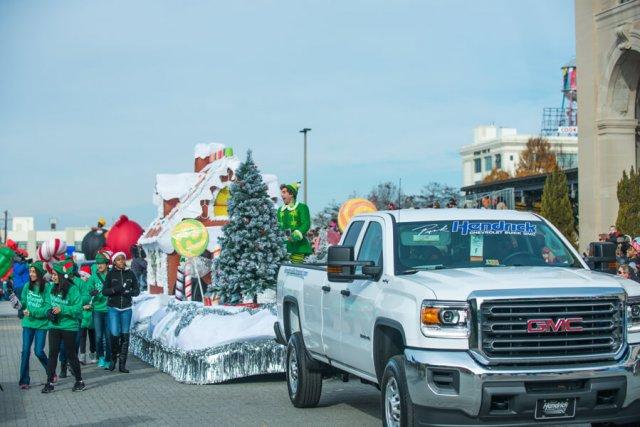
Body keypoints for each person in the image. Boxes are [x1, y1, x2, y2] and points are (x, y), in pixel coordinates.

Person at [42, 260, 85, 393]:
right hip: (54, 326)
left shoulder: (72, 289)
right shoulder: (51, 288)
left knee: (71, 354)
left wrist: (63, 309)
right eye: (52, 274)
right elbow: (48, 303)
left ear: (62, 276)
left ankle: (79, 381)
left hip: (69, 327)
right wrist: (48, 311)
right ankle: (49, 382)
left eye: (55, 275)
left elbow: (78, 309)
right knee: (53, 353)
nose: (52, 277)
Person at [102, 252, 140, 373]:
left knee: (125, 336)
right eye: (118, 260)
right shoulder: (110, 274)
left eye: (123, 259)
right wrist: (115, 290)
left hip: (126, 309)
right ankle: (113, 359)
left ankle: (122, 364)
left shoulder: (130, 273)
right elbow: (104, 291)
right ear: (114, 262)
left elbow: (137, 290)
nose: (121, 262)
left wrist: (129, 292)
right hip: (114, 308)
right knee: (114, 334)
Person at [18, 261, 50, 389]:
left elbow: (48, 307)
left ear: (39, 273)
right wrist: (19, 306)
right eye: (30, 271)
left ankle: (51, 371)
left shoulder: (47, 287)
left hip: (41, 324)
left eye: (33, 271)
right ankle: (24, 380)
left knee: (38, 351)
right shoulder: (27, 286)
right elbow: (24, 302)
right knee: (25, 351)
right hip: (28, 324)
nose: (31, 274)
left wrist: (33, 312)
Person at [87, 251, 111, 368]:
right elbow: (88, 291)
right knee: (98, 336)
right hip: (97, 310)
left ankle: (108, 358)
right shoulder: (93, 277)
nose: (99, 266)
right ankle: (100, 357)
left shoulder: (111, 275)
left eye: (101, 263)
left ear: (107, 264)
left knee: (108, 335)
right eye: (97, 263)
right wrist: (92, 292)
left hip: (110, 309)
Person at [277, 182, 312, 263]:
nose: (282, 195)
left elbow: (306, 224)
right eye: (281, 192)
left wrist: (295, 236)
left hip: (299, 247)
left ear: (291, 194)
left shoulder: (302, 207)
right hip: (283, 247)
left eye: (284, 192)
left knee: (296, 271)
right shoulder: (280, 210)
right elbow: (277, 226)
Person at [78, 268, 96, 365]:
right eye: (81, 275)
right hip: (82, 314)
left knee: (92, 335)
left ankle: (92, 353)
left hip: (91, 314)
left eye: (84, 275)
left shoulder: (90, 285)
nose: (82, 278)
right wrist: (82, 307)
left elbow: (95, 297)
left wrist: (91, 305)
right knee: (82, 336)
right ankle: (82, 355)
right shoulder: (78, 286)